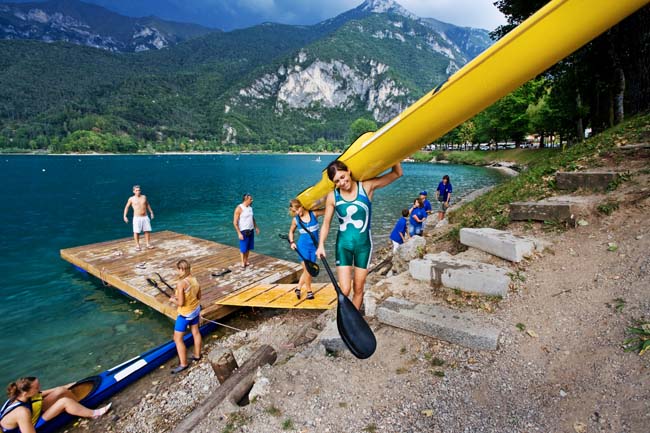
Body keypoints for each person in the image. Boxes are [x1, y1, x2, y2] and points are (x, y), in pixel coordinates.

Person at [316, 161, 402, 310]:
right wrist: (321, 245)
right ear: (334, 183)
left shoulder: (366, 187)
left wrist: (396, 158)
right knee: (344, 290)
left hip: (364, 246)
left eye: (343, 177)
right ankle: (343, 318)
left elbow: (396, 174)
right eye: (337, 181)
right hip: (343, 246)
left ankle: (353, 322)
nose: (342, 182)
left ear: (348, 171)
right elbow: (326, 224)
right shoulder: (333, 197)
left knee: (358, 288)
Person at [0, 377, 111, 433]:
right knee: (64, 402)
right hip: (27, 425)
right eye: (36, 387)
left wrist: (65, 386)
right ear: (26, 392)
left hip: (32, 414)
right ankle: (94, 414)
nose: (39, 389)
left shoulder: (20, 395)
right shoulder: (22, 412)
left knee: (60, 391)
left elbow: (41, 394)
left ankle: (78, 407)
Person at [169, 259, 202, 375]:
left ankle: (183, 364)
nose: (177, 272)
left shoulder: (181, 283)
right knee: (195, 332)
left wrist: (173, 300)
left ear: (181, 269)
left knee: (177, 339)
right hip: (195, 310)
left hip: (185, 314)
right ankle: (197, 355)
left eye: (178, 269)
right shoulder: (194, 279)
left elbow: (181, 303)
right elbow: (198, 296)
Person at [288, 199, 325, 300]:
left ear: (301, 207)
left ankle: (298, 288)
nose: (296, 213)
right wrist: (292, 242)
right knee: (308, 270)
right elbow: (291, 232)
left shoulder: (314, 214)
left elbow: (328, 210)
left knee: (308, 270)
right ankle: (309, 291)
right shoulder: (296, 220)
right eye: (294, 212)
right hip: (302, 247)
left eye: (297, 210)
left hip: (314, 248)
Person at [123, 185, 154, 251]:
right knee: (136, 232)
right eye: (136, 190)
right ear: (133, 191)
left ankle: (148, 244)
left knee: (147, 231)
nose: (138, 191)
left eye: (139, 190)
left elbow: (147, 204)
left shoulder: (144, 197)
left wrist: (151, 212)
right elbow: (127, 207)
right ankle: (137, 245)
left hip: (145, 216)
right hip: (137, 217)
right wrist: (125, 216)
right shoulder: (131, 199)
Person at [233, 193, 260, 268]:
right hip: (243, 231)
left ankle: (246, 260)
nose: (252, 200)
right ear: (246, 199)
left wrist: (256, 227)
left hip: (251, 230)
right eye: (250, 199)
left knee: (249, 247)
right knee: (243, 248)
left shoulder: (250, 208)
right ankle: (242, 262)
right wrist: (239, 233)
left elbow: (252, 218)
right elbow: (235, 222)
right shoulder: (239, 208)